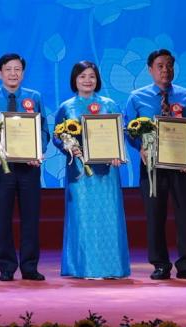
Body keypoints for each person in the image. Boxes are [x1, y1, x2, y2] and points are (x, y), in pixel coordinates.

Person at [123, 48, 186, 280]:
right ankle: (160, 264)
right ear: (150, 70)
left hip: (182, 166)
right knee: (155, 215)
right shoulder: (136, 98)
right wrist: (140, 147)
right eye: (160, 65)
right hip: (152, 167)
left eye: (169, 65)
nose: (165, 70)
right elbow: (129, 129)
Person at [0, 53, 49, 281]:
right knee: (3, 217)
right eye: (8, 69)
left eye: (17, 69)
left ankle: (30, 266)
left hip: (29, 165)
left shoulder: (34, 97)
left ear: (23, 73)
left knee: (30, 217)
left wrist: (39, 151)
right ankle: (6, 267)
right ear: (0, 73)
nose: (13, 73)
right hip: (1, 165)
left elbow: (44, 129)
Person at [55, 60, 130, 279]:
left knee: (109, 215)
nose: (87, 80)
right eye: (82, 76)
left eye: (92, 76)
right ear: (74, 80)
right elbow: (57, 137)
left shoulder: (110, 104)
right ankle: (85, 267)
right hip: (80, 171)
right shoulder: (66, 107)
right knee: (83, 217)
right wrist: (68, 146)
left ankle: (113, 268)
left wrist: (119, 154)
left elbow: (119, 134)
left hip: (107, 171)